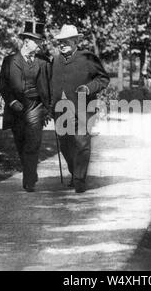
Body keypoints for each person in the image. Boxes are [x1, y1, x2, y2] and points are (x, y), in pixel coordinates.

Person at [52, 25, 109, 193]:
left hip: (83, 108)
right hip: (61, 111)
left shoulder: (87, 58)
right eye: (60, 42)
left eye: (66, 41)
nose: (62, 45)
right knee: (65, 145)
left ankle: (79, 179)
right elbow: (49, 84)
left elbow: (103, 78)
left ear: (76, 41)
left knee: (81, 144)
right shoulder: (55, 61)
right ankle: (74, 172)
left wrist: (89, 88)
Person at [0, 20, 52, 192]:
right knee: (21, 142)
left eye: (41, 41)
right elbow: (3, 85)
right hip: (17, 108)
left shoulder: (43, 62)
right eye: (37, 41)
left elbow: (50, 86)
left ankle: (29, 181)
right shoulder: (9, 61)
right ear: (26, 41)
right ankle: (31, 171)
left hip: (36, 106)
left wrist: (49, 109)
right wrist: (12, 102)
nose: (40, 44)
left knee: (32, 143)